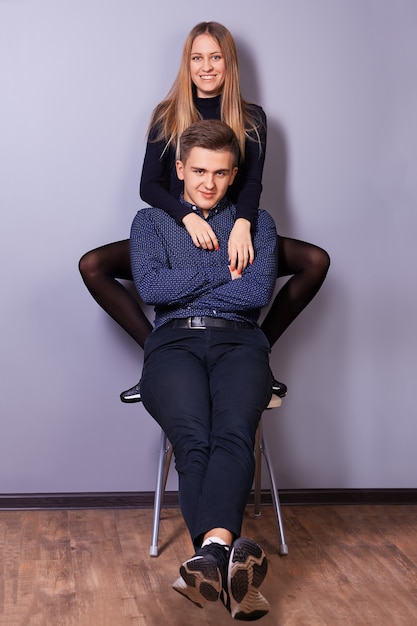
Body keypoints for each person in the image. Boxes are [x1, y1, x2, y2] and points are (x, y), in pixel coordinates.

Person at [78, 21, 330, 403]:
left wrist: (244, 225)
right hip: (177, 232)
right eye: (198, 57)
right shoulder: (167, 115)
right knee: (93, 264)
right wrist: (187, 216)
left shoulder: (252, 118)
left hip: (233, 224)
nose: (207, 66)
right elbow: (149, 186)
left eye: (216, 57)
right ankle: (156, 357)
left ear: (229, 63)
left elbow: (251, 184)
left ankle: (259, 352)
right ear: (187, 63)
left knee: (315, 260)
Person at [131, 118, 276, 620]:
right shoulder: (149, 222)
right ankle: (223, 554)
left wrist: (185, 277)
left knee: (234, 432)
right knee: (193, 437)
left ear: (234, 174)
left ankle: (210, 556)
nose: (208, 183)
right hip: (173, 343)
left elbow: (255, 294)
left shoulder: (258, 224)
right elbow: (152, 289)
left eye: (219, 173)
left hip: (241, 342)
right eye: (198, 171)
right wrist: (226, 269)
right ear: (180, 169)